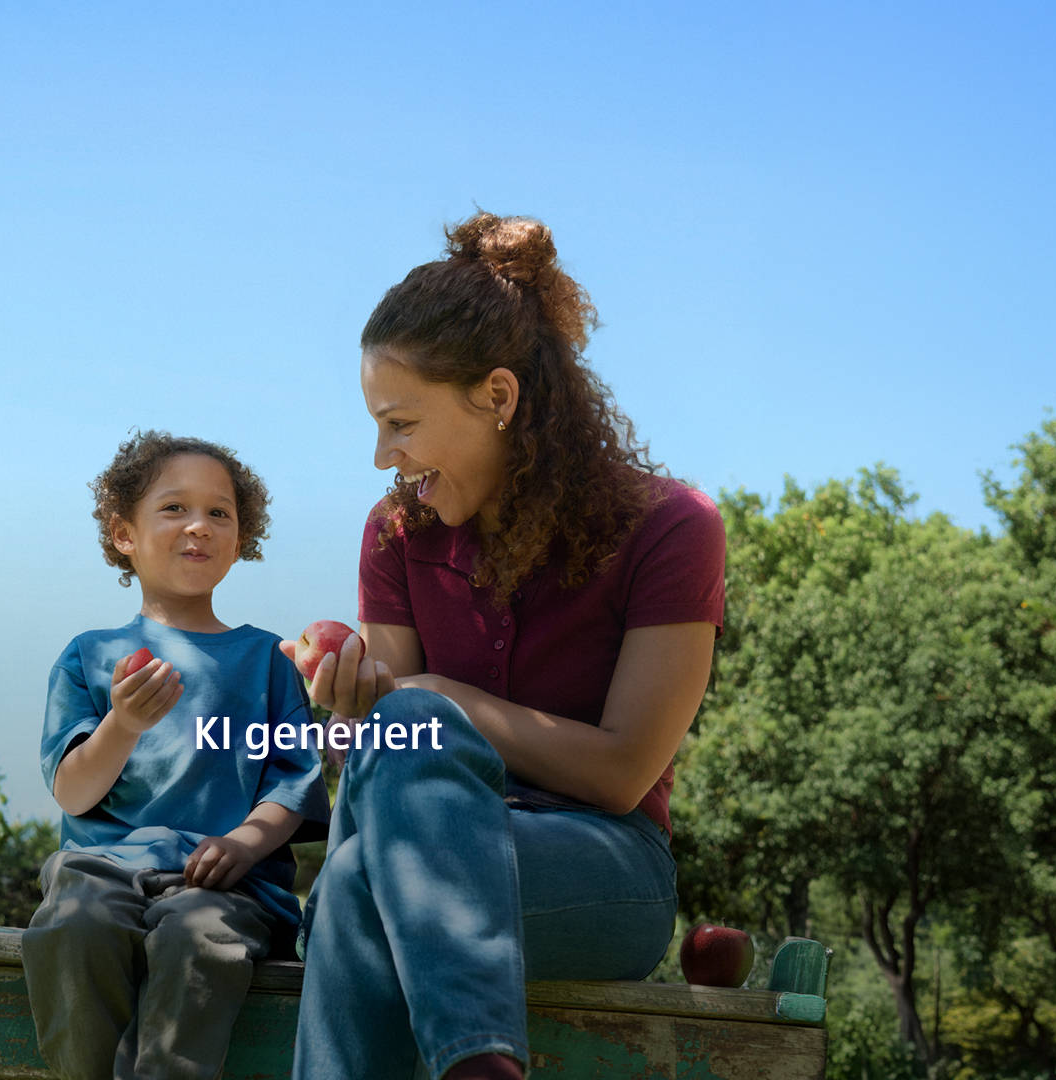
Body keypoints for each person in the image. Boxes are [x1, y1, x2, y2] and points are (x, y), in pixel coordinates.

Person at [284, 213, 726, 1080]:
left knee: (360, 874)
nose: (383, 456)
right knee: (359, 879)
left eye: (401, 422)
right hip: (411, 855)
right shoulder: (395, 535)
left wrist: (437, 698)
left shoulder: (672, 528)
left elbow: (621, 772)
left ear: (497, 396)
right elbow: (391, 775)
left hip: (601, 869)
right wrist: (360, 715)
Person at [23, 430, 331, 1080]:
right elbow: (74, 791)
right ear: (123, 534)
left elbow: (293, 787)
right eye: (174, 508)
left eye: (219, 512)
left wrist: (246, 843)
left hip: (226, 884)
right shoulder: (87, 656)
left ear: (241, 539)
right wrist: (123, 725)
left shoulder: (269, 661)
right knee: (71, 929)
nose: (199, 525)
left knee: (199, 941)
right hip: (102, 869)